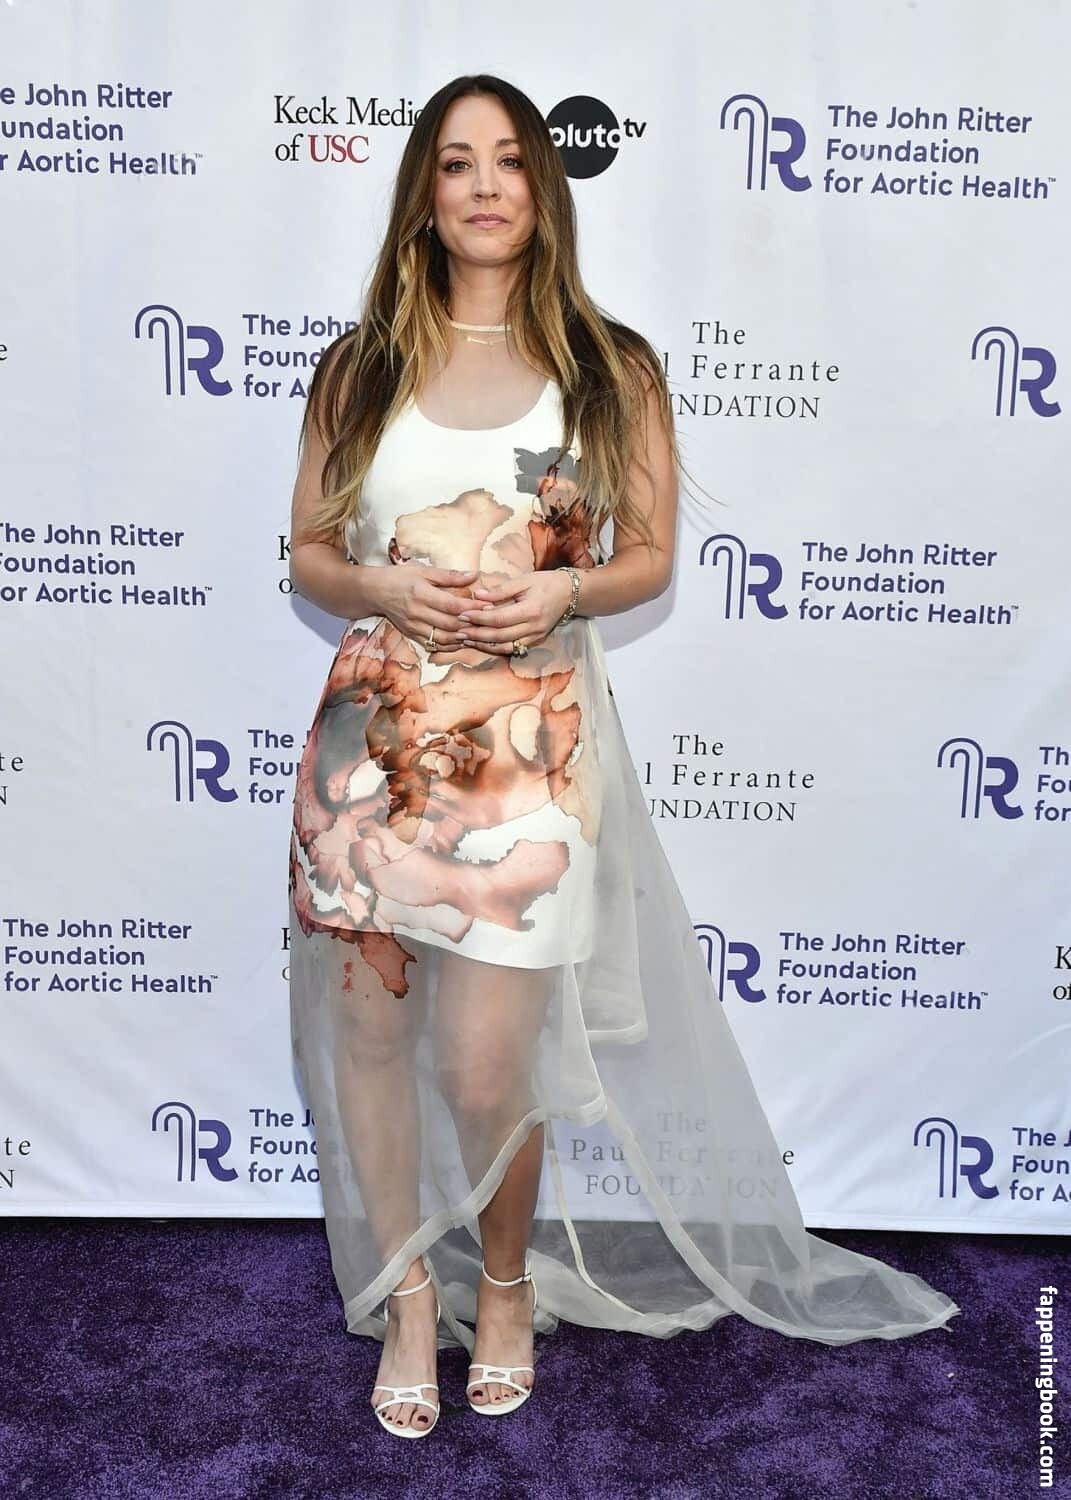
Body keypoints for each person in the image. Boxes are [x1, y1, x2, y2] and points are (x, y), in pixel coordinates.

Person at [286, 74, 960, 1440]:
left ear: (545, 190)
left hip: (529, 747)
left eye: (509, 161)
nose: (485, 186)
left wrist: (563, 591)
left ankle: (509, 1284)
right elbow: (308, 551)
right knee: (369, 1036)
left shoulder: (613, 366)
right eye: (456, 162)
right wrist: (383, 586)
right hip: (372, 743)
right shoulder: (359, 367)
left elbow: (647, 558)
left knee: (485, 1067)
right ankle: (408, 1295)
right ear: (423, 193)